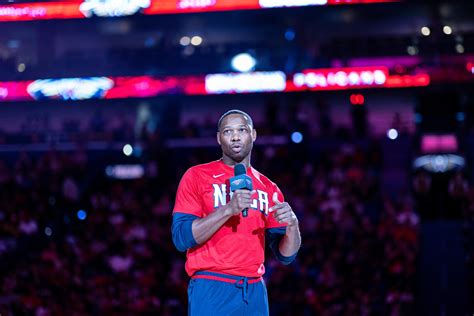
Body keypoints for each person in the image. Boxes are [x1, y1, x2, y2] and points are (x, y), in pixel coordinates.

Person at [172, 109, 301, 315]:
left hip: (254, 290)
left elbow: (285, 256)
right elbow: (181, 238)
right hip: (211, 286)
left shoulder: (269, 187)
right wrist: (228, 210)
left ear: (253, 135)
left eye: (242, 129)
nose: (235, 136)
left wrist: (293, 226)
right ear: (218, 138)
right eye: (227, 131)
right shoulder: (196, 176)